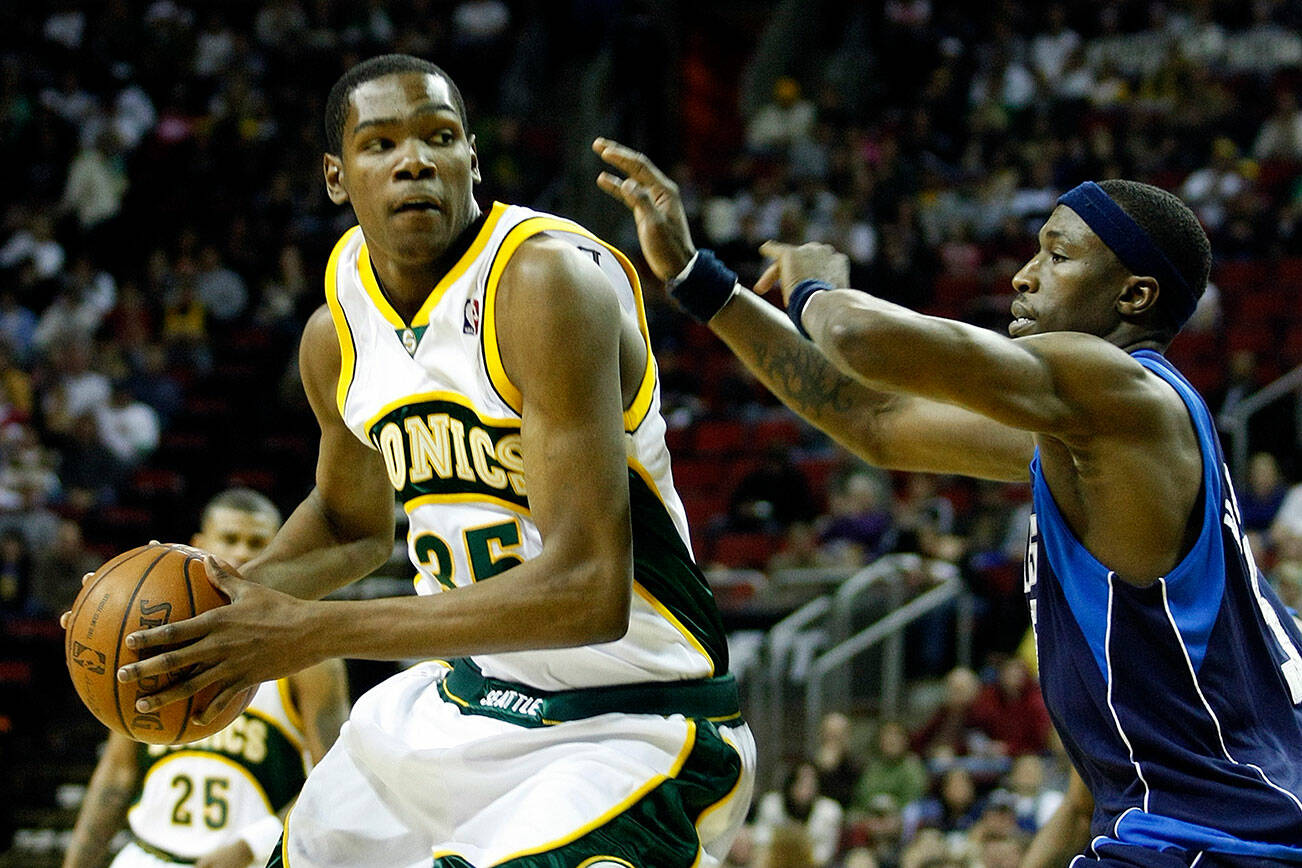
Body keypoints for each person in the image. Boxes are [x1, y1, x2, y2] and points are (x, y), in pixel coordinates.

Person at [105, 56, 753, 868]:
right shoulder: (337, 325)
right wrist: (206, 620)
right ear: (337, 179)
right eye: (380, 144)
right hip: (466, 702)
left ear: (471, 161)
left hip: (630, 719)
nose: (414, 159)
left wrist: (309, 632)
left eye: (439, 137)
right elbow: (350, 523)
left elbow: (590, 590)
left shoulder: (545, 281)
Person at [593, 138, 1302, 865]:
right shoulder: (1096, 448)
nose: (1025, 277)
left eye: (1058, 257)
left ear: (1135, 297)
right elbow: (876, 421)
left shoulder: (1125, 393)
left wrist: (814, 283)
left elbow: (860, 338)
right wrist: (698, 278)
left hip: (1209, 847)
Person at [62, 488, 349, 868]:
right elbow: (117, 775)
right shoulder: (155, 632)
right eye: (230, 539)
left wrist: (253, 843)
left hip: (250, 861)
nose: (243, 552)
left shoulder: (306, 658)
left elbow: (334, 779)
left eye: (258, 543)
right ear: (198, 545)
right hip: (146, 857)